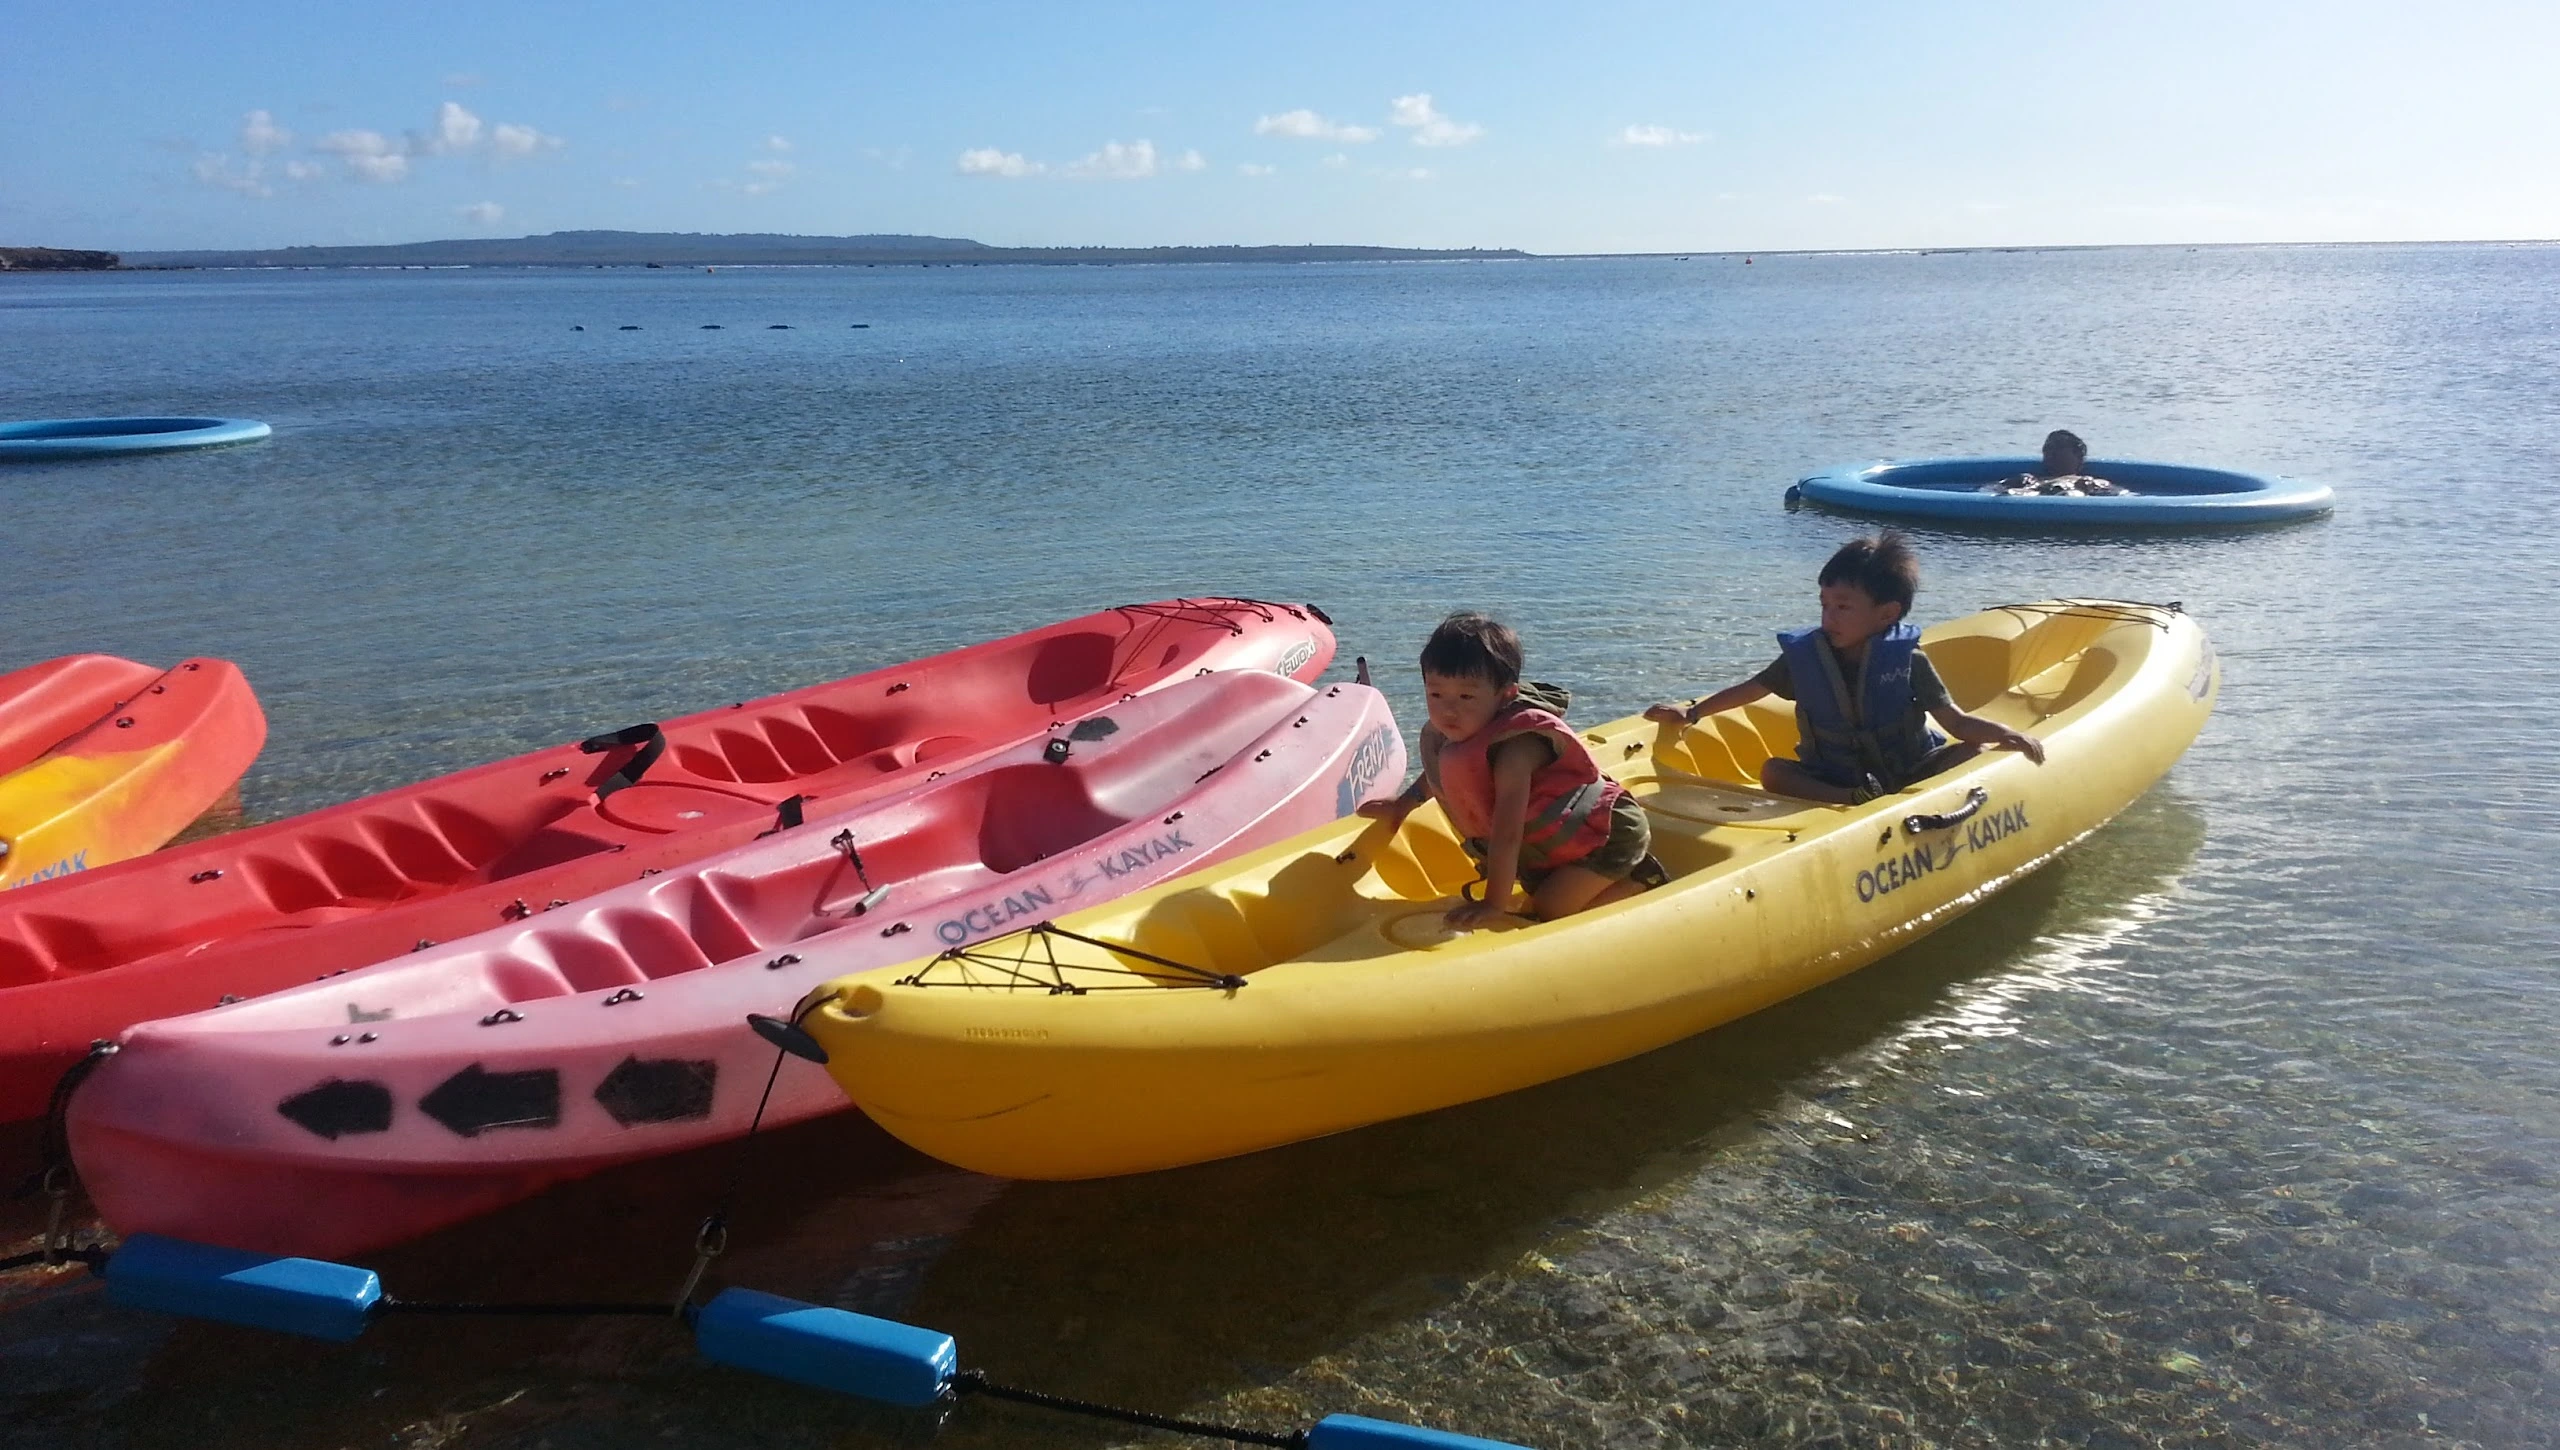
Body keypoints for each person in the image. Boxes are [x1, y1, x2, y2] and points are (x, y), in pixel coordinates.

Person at [1644, 532, 2045, 804]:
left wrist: (2006, 734)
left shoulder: (1909, 660)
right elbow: (1753, 688)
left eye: (1843, 607)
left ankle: (1899, 798)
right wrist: (1692, 712)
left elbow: (1955, 722)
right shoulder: (1808, 657)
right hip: (1833, 777)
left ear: (1886, 613)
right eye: (1824, 604)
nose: (1828, 617)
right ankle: (1851, 800)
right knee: (1773, 772)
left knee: (1972, 751)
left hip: (1911, 768)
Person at [1360, 613, 1662, 928]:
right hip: (1558, 844)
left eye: (1466, 696)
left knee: (1549, 909)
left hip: (1608, 836)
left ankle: (1642, 881)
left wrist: (1494, 903)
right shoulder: (1461, 730)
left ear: (1505, 694)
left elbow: (1508, 833)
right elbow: (1446, 773)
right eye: (1436, 694)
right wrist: (1403, 803)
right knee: (1541, 892)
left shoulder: (1515, 751)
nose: (1449, 709)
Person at [1985, 429, 2125, 496]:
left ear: (2078, 456)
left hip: (2072, 495)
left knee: (2073, 492)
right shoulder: (2030, 480)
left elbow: (2120, 493)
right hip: (2034, 492)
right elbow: (1988, 490)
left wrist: (2087, 487)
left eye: (2059, 448)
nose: (2051, 453)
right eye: (2047, 449)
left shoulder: (2090, 482)